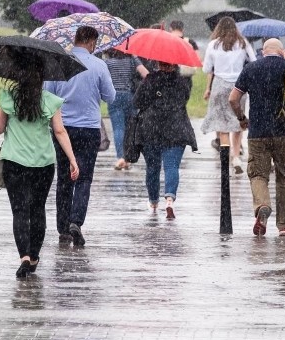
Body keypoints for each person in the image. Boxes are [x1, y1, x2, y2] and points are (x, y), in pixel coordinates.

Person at [0, 48, 79, 278]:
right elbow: (59, 131)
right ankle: (35, 256)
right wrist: (72, 159)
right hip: (43, 164)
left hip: (14, 163)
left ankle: (24, 257)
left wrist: (4, 115)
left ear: (18, 74)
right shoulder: (50, 101)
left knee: (19, 211)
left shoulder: (9, 98)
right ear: (41, 75)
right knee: (37, 210)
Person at [44, 25, 116, 247]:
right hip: (88, 129)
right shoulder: (99, 66)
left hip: (62, 129)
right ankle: (76, 221)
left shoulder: (59, 63)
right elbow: (110, 97)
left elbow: (47, 94)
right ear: (92, 42)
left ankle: (63, 228)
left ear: (75, 40)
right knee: (83, 177)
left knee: (65, 178)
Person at [229, 38, 285, 237]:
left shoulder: (252, 68)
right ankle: (284, 226)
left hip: (258, 132)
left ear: (263, 52)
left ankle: (262, 206)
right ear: (282, 52)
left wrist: (242, 118)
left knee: (258, 174)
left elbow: (233, 98)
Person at [132, 60, 197, 218]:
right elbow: (184, 99)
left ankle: (153, 202)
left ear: (158, 63)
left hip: (150, 129)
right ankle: (169, 199)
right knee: (171, 166)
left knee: (152, 168)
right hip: (176, 129)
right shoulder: (182, 82)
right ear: (174, 64)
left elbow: (137, 102)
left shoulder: (149, 80)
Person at [201, 16, 256, 174]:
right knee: (238, 120)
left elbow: (206, 69)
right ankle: (236, 156)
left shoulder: (213, 45)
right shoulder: (243, 43)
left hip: (219, 85)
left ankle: (226, 154)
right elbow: (253, 61)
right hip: (238, 86)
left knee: (222, 124)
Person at [103, 48, 148, 170]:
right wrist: (133, 55)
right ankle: (128, 158)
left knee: (118, 128)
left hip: (114, 96)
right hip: (129, 96)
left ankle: (120, 157)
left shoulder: (108, 63)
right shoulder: (131, 60)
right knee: (129, 129)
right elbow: (145, 74)